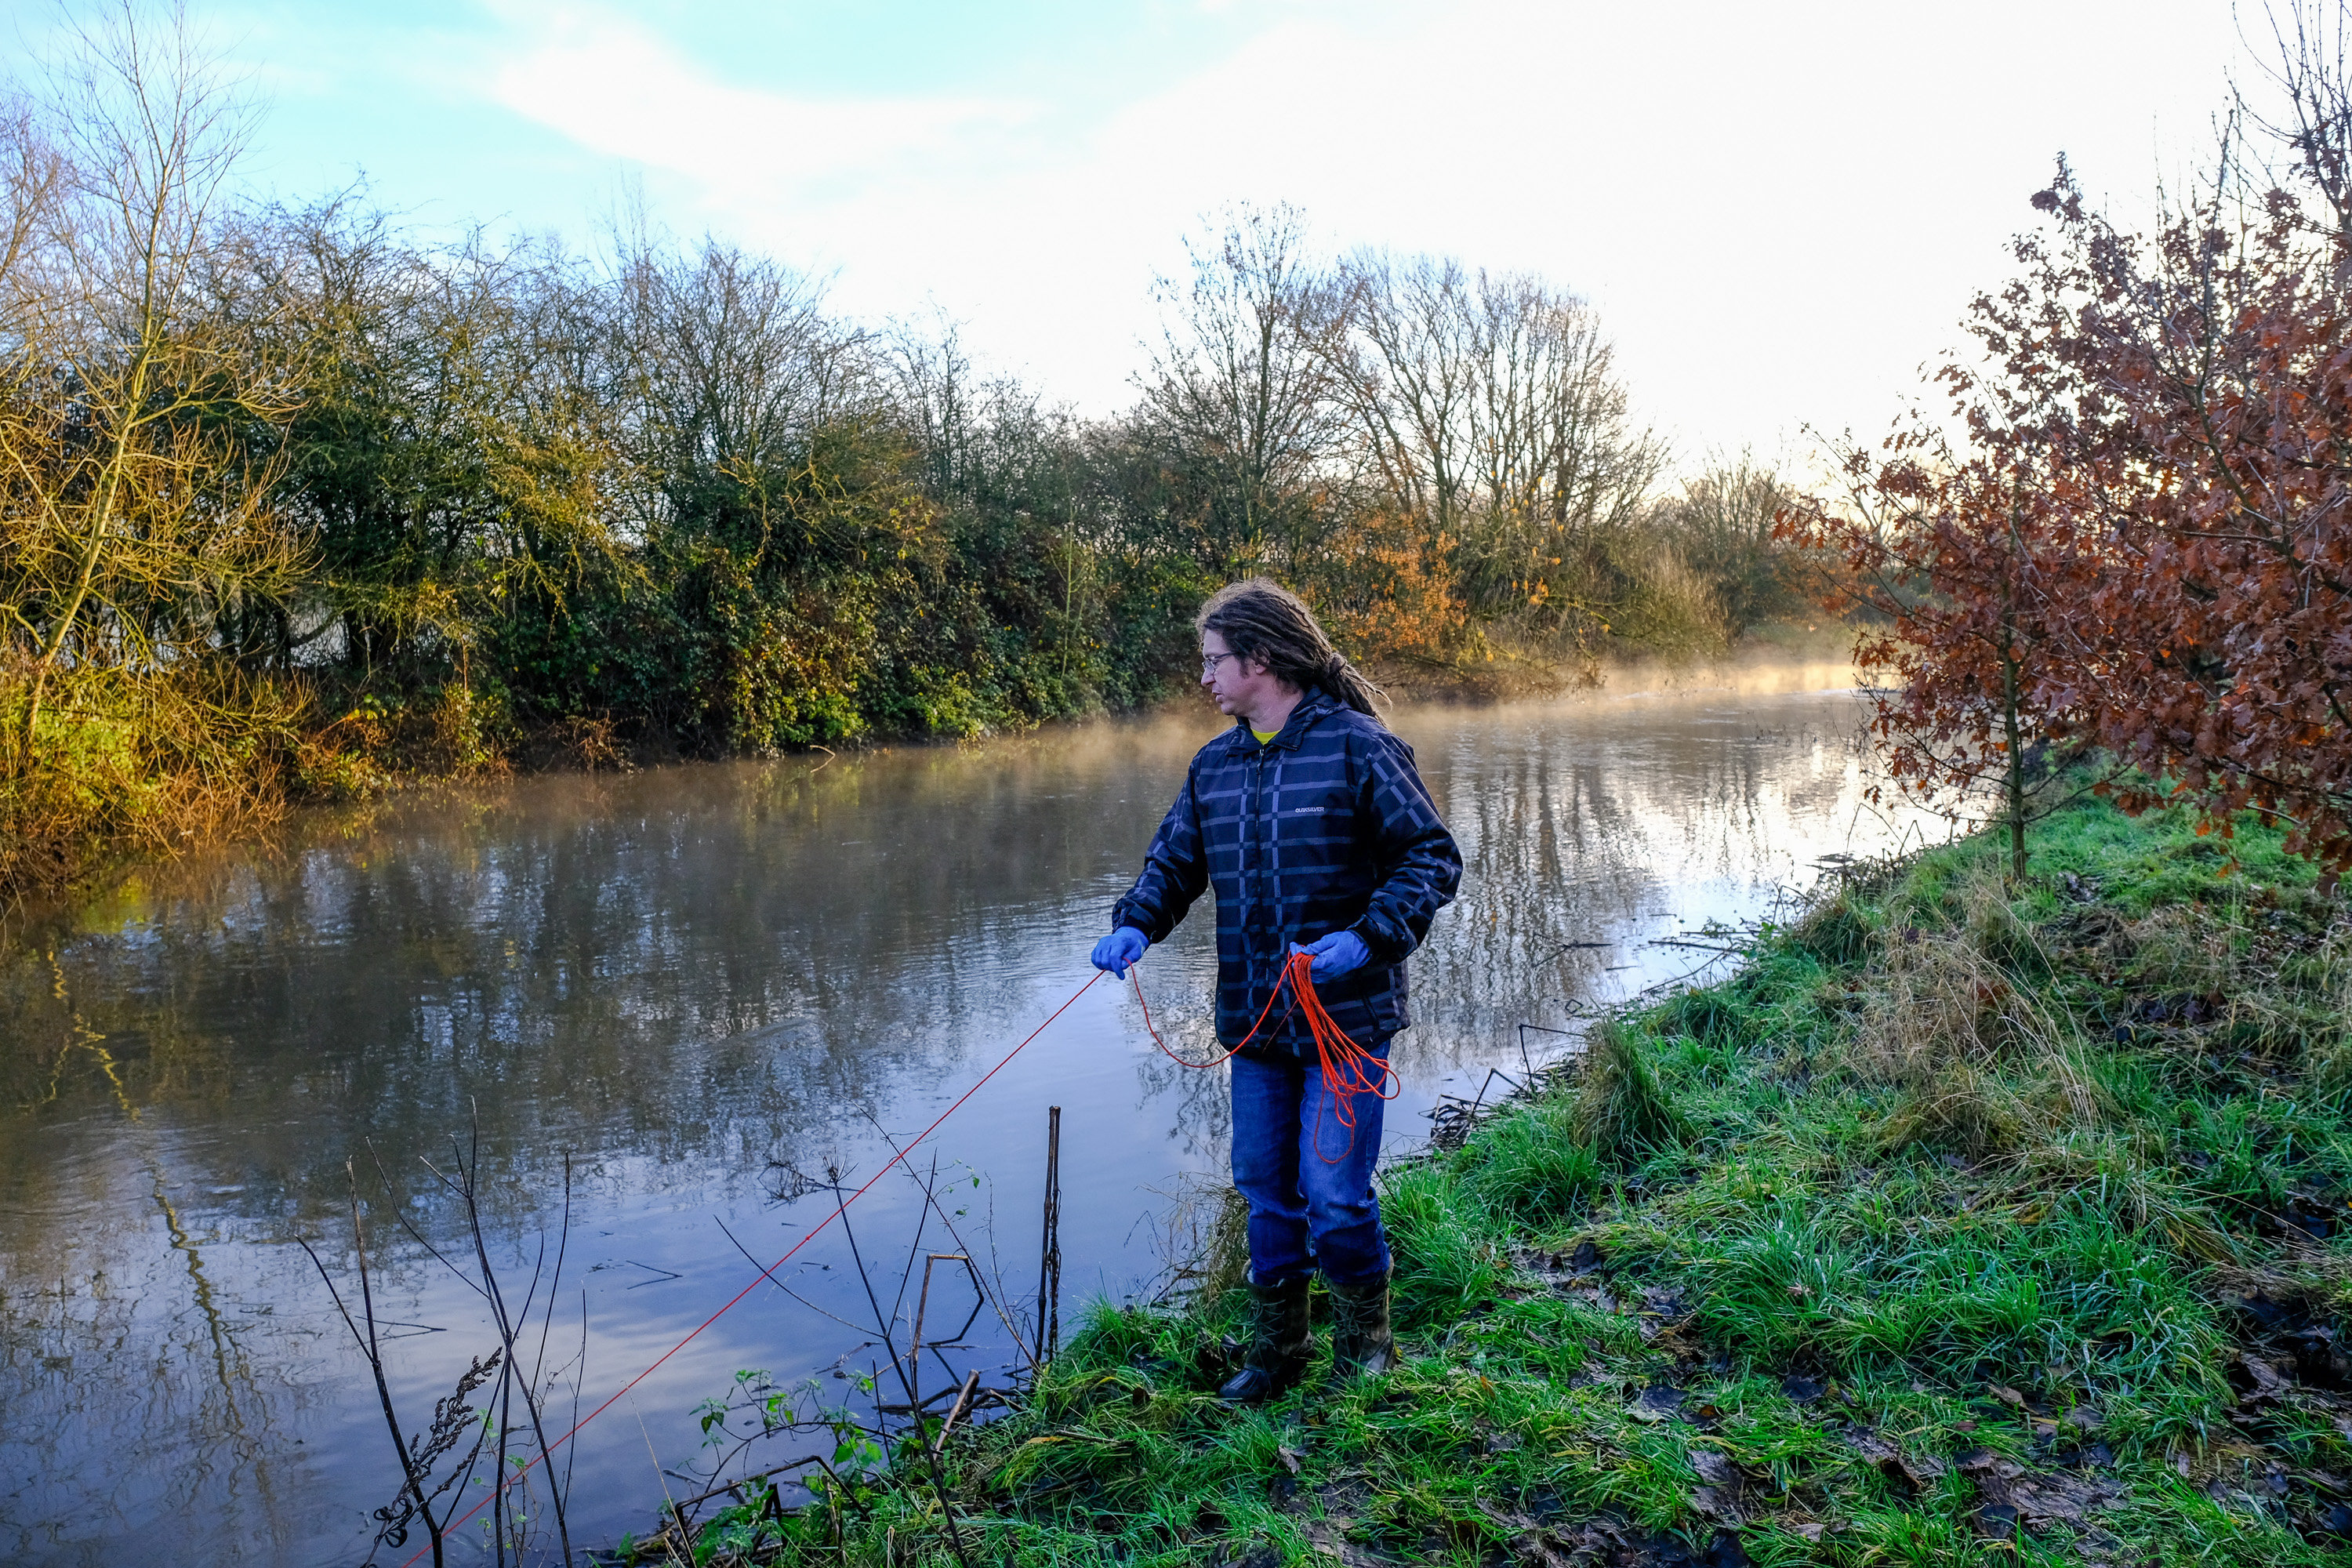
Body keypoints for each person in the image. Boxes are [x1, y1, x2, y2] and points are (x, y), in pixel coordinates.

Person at [1091, 579, 1461, 1403]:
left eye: (1214, 660)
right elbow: (1174, 865)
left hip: (1347, 1020)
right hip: (1255, 1027)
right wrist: (1135, 924)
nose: (1204, 677)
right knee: (1265, 1189)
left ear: (1262, 658)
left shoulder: (1362, 747)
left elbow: (1432, 859)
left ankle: (1366, 1350)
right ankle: (1277, 1354)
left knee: (1334, 1197)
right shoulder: (1214, 764)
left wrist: (1365, 938)